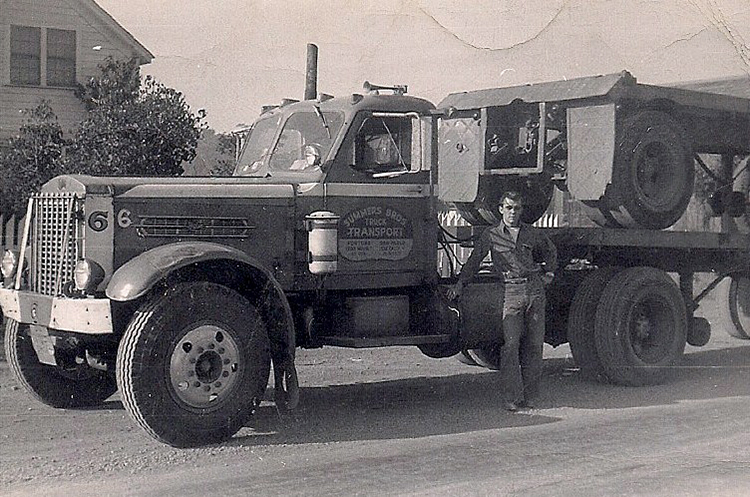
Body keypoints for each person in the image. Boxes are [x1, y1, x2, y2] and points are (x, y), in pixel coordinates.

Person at [447, 191, 557, 412]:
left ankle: (531, 397)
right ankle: (513, 397)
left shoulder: (531, 233)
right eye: (508, 207)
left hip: (534, 291)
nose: (512, 212)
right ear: (500, 209)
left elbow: (550, 251)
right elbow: (474, 262)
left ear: (521, 210)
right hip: (511, 292)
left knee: (534, 345)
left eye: (516, 208)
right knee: (510, 346)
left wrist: (549, 273)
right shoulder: (492, 235)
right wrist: (459, 285)